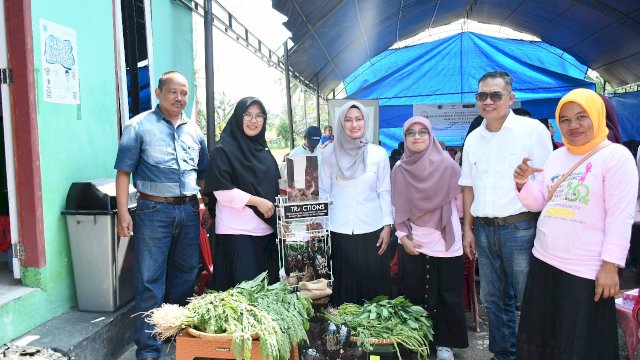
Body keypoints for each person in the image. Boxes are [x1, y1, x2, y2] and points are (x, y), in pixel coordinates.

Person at [513, 88, 638, 359]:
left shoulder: (615, 157)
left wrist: (610, 266)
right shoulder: (557, 156)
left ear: (598, 116)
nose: (573, 125)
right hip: (544, 262)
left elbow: (620, 216)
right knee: (546, 338)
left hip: (585, 270)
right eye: (566, 119)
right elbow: (539, 203)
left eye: (581, 116)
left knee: (578, 343)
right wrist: (523, 183)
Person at [114, 70, 209, 360]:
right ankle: (148, 350)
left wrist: (205, 206)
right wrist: (122, 214)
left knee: (185, 276)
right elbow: (123, 173)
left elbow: (203, 174)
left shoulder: (194, 131)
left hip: (189, 210)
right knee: (149, 280)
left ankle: (173, 337)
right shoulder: (138, 126)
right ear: (158, 93)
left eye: (184, 93)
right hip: (153, 210)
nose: (179, 98)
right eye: (173, 92)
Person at [459, 70, 552, 360]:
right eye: (482, 96)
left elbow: (549, 181)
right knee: (494, 300)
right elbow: (468, 188)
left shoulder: (532, 130)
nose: (488, 101)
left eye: (495, 95)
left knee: (530, 298)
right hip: (485, 231)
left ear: (510, 98)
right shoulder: (473, 138)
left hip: (521, 227)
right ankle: (504, 355)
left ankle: (536, 354)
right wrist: (468, 229)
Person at [392, 116, 468, 360]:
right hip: (413, 239)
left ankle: (444, 342)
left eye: (422, 132)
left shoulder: (447, 166)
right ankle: (419, 340)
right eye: (411, 133)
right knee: (415, 291)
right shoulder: (399, 170)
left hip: (446, 238)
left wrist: (467, 229)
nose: (416, 137)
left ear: (431, 135)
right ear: (404, 139)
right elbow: (395, 208)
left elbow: (461, 202)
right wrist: (403, 237)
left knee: (446, 292)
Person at [319, 100, 393, 305]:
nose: (354, 124)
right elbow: (324, 192)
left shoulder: (378, 153)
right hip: (339, 230)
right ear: (340, 124)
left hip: (373, 229)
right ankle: (345, 335)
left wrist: (388, 226)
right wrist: (323, 230)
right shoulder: (328, 153)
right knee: (344, 290)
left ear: (365, 121)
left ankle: (373, 336)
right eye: (348, 120)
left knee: (374, 292)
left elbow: (385, 191)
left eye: (358, 119)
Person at [202, 96, 279, 291]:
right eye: (248, 115)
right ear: (238, 117)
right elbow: (221, 191)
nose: (254, 120)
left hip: (266, 232)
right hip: (237, 236)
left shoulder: (263, 151)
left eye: (259, 116)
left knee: (266, 297)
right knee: (243, 299)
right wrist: (257, 202)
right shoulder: (223, 149)